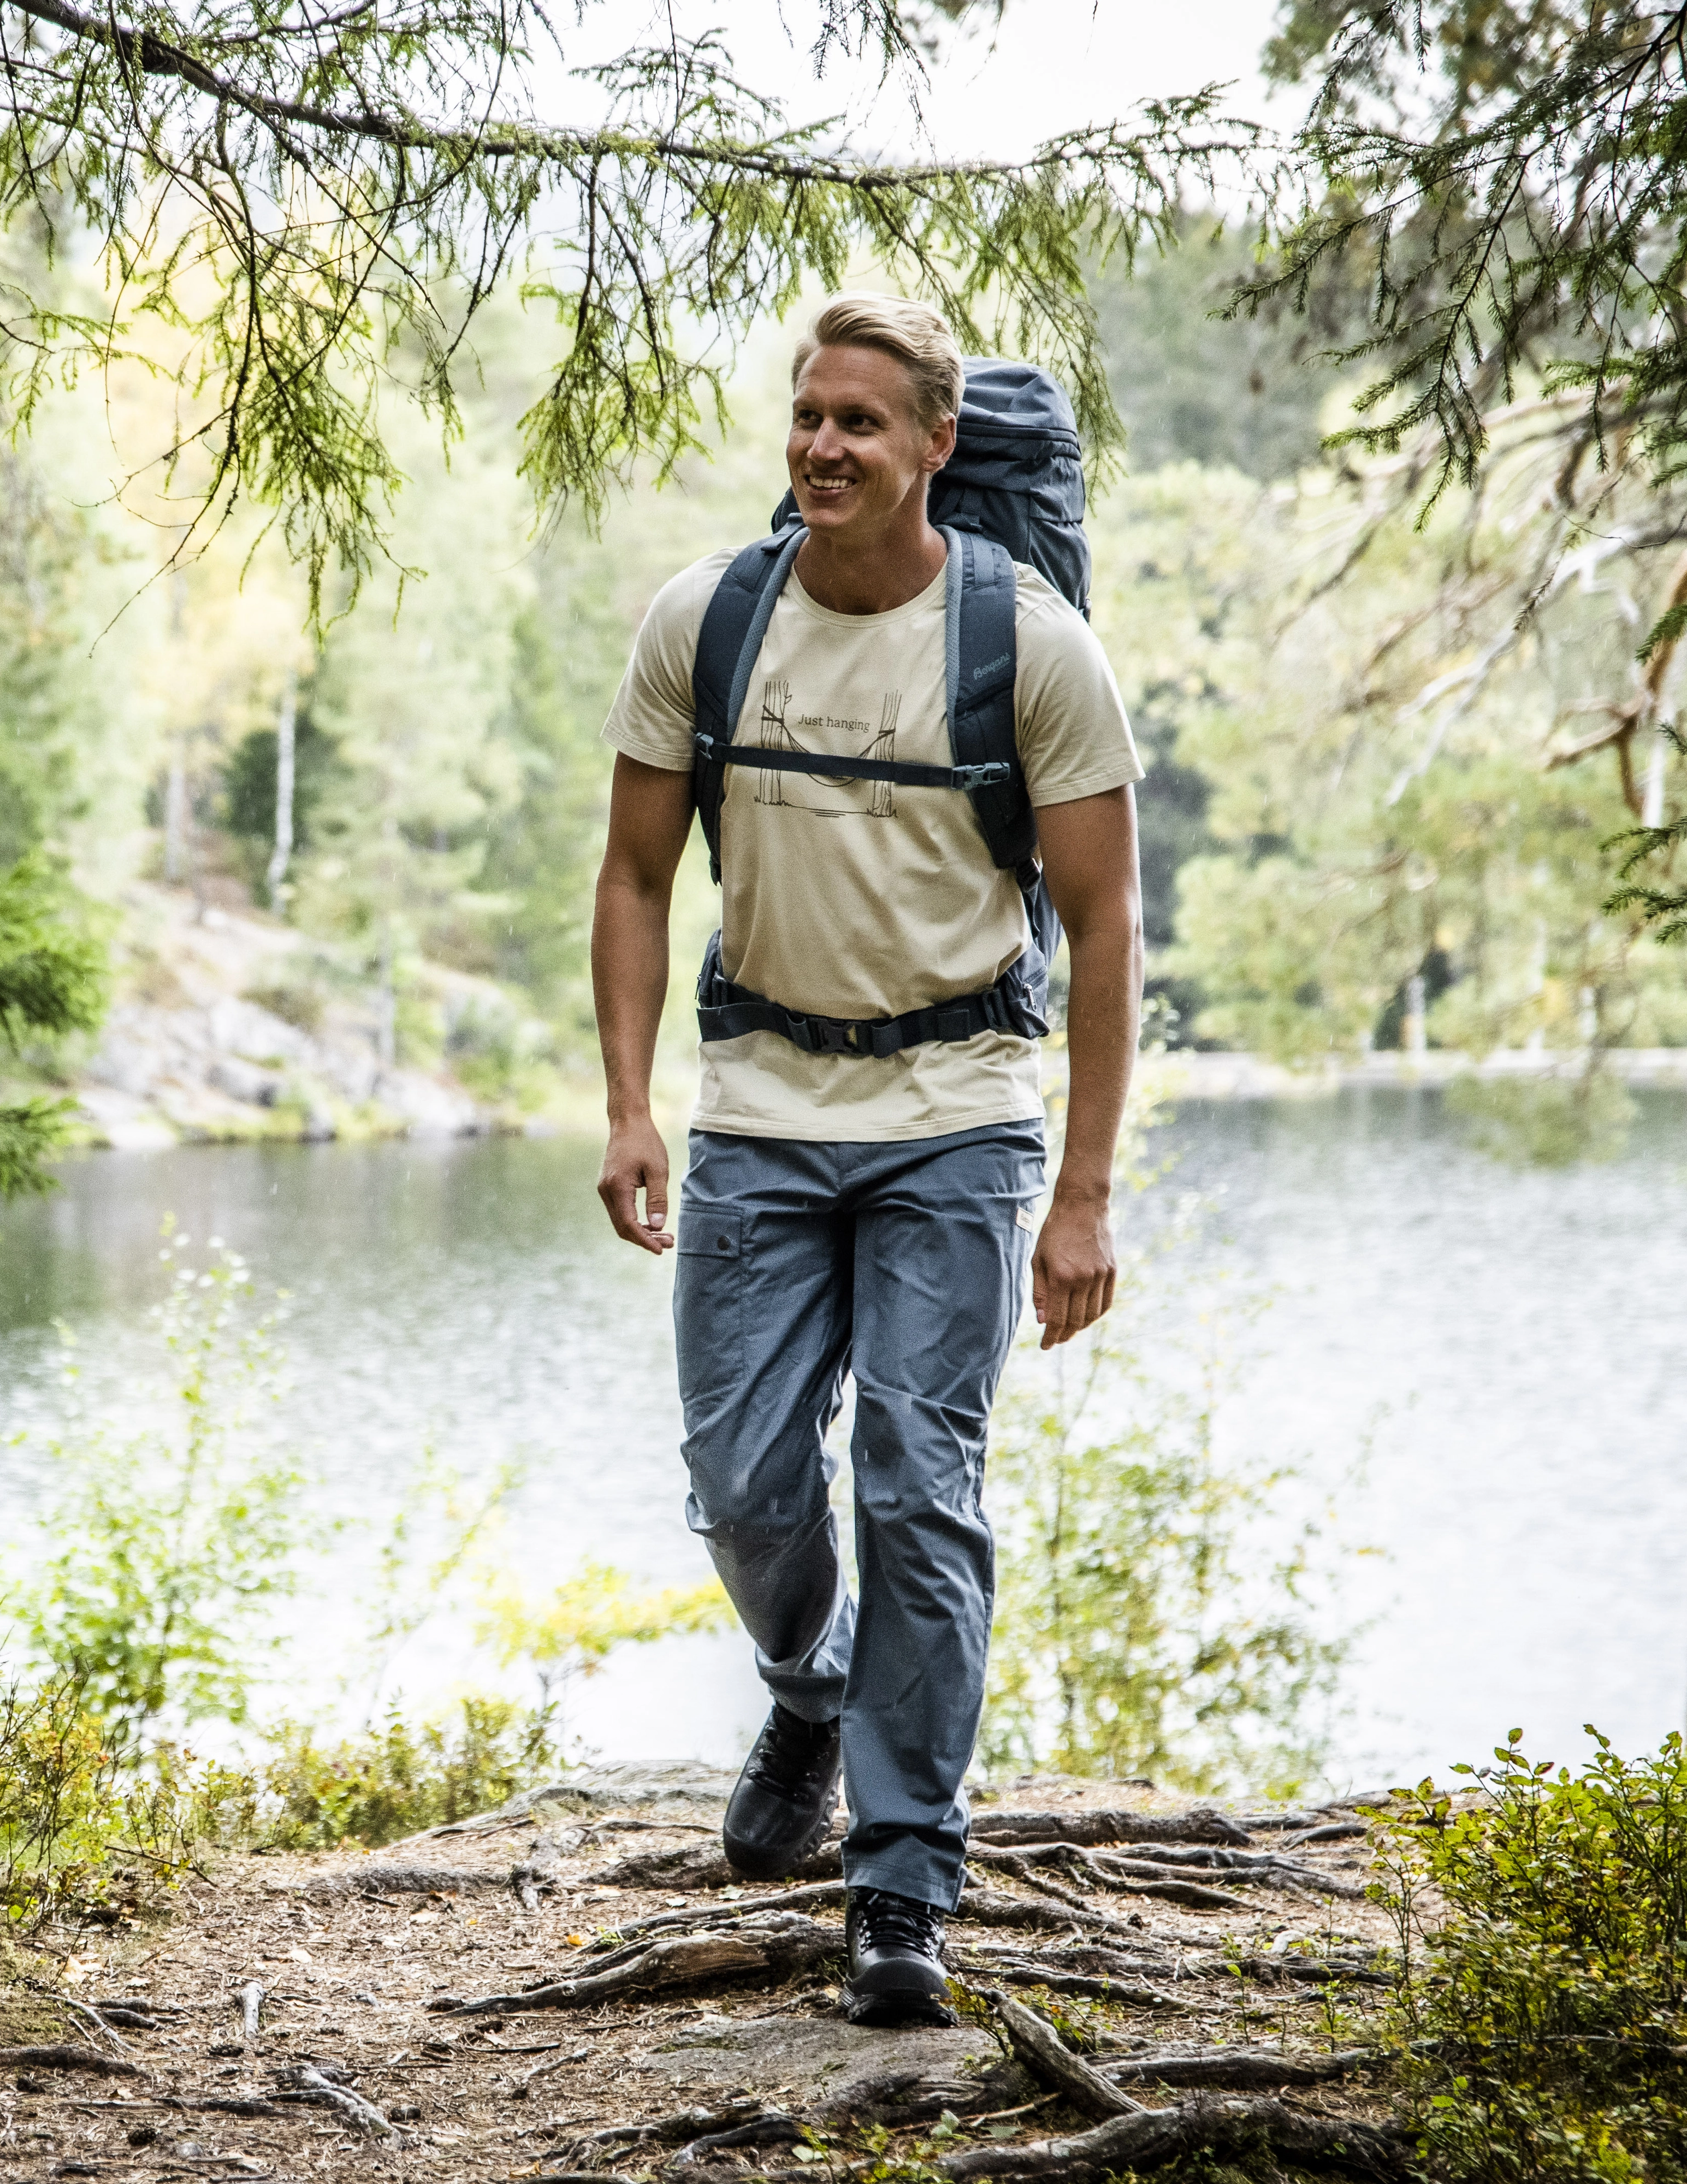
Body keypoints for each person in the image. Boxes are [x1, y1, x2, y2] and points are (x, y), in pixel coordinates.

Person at [589, 294, 1143, 2026]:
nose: (823, 445)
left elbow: (1109, 920)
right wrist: (628, 1101)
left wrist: (1085, 1194)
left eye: (862, 423)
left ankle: (902, 1880)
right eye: (809, 416)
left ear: (935, 449)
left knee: (918, 1484)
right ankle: (809, 1688)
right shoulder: (712, 618)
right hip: (760, 1107)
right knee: (745, 1483)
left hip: (959, 1118)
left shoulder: (1028, 644)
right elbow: (631, 871)